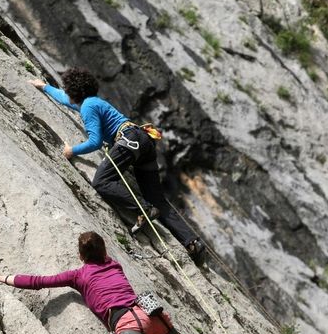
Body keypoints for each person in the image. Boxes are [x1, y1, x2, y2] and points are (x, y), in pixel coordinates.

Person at [0, 231, 214, 334]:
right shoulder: (114, 264)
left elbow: (39, 281)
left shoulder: (78, 276)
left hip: (128, 326)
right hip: (154, 318)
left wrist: (3, 278)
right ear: (105, 250)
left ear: (81, 256)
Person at [30, 68, 205, 265]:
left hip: (128, 142)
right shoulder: (91, 102)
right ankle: (193, 243)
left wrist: (73, 151)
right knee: (158, 198)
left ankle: (144, 210)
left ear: (75, 92)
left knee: (102, 181)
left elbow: (95, 141)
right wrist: (45, 87)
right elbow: (63, 98)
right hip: (141, 141)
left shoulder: (88, 106)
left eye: (68, 89)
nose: (66, 92)